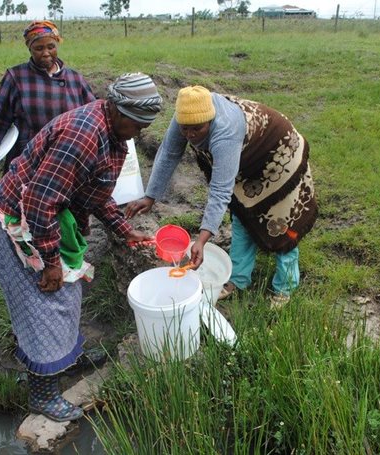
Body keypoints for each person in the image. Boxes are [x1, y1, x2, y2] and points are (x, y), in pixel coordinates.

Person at [0, 73, 163, 421]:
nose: (140, 132)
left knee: (67, 295)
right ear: (115, 108)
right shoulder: (82, 136)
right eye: (138, 123)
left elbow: (94, 190)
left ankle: (66, 356)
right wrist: (51, 261)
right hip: (19, 221)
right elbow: (39, 201)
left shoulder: (112, 130)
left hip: (48, 216)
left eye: (146, 125)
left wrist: (124, 230)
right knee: (44, 306)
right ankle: (42, 395)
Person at [125, 86, 317, 309]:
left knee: (282, 225)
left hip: (279, 154)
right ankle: (238, 279)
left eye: (197, 129)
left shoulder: (225, 133)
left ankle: (285, 286)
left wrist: (203, 238)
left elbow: (220, 190)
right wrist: (150, 196)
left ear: (210, 119)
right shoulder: (186, 115)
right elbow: (169, 153)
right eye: (185, 129)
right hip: (246, 161)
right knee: (243, 215)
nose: (190, 134)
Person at [0, 20, 96, 174]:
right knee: (24, 196)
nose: (46, 53)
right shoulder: (16, 77)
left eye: (51, 47)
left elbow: (95, 118)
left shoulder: (75, 79)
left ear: (57, 45)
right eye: (39, 48)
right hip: (26, 157)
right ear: (29, 48)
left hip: (67, 157)